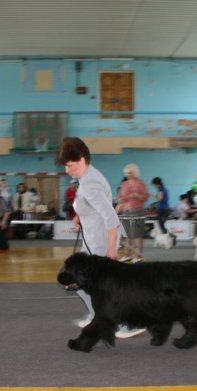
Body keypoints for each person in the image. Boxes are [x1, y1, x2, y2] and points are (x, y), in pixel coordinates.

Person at [57, 137, 145, 339]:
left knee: (101, 288)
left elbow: (111, 218)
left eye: (69, 165)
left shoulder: (90, 183)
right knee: (72, 279)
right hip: (91, 242)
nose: (67, 170)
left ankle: (128, 324)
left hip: (100, 243)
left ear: (81, 159)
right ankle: (97, 314)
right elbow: (93, 203)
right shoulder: (87, 176)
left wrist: (111, 251)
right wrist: (80, 215)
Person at [116, 164, 149, 263]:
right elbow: (120, 198)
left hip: (137, 211)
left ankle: (138, 256)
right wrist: (119, 206)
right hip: (125, 211)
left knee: (137, 235)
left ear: (135, 173)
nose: (128, 175)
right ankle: (127, 254)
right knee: (126, 235)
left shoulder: (141, 184)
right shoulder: (124, 184)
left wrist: (137, 196)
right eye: (126, 173)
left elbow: (145, 197)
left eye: (130, 173)